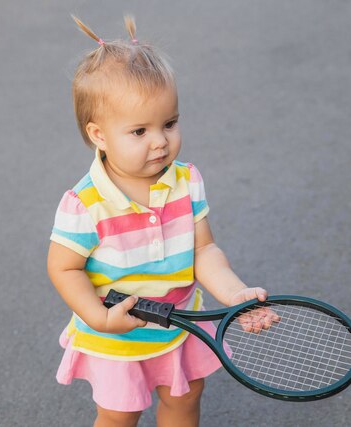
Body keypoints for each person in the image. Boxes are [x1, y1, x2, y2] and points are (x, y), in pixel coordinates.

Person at [47, 15, 272, 427]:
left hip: (180, 325)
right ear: (99, 135)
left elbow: (203, 249)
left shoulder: (186, 180)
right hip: (115, 338)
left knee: (185, 402)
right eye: (139, 131)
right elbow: (63, 266)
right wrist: (99, 318)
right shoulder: (85, 203)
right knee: (119, 415)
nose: (160, 141)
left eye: (169, 123)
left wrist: (234, 292)